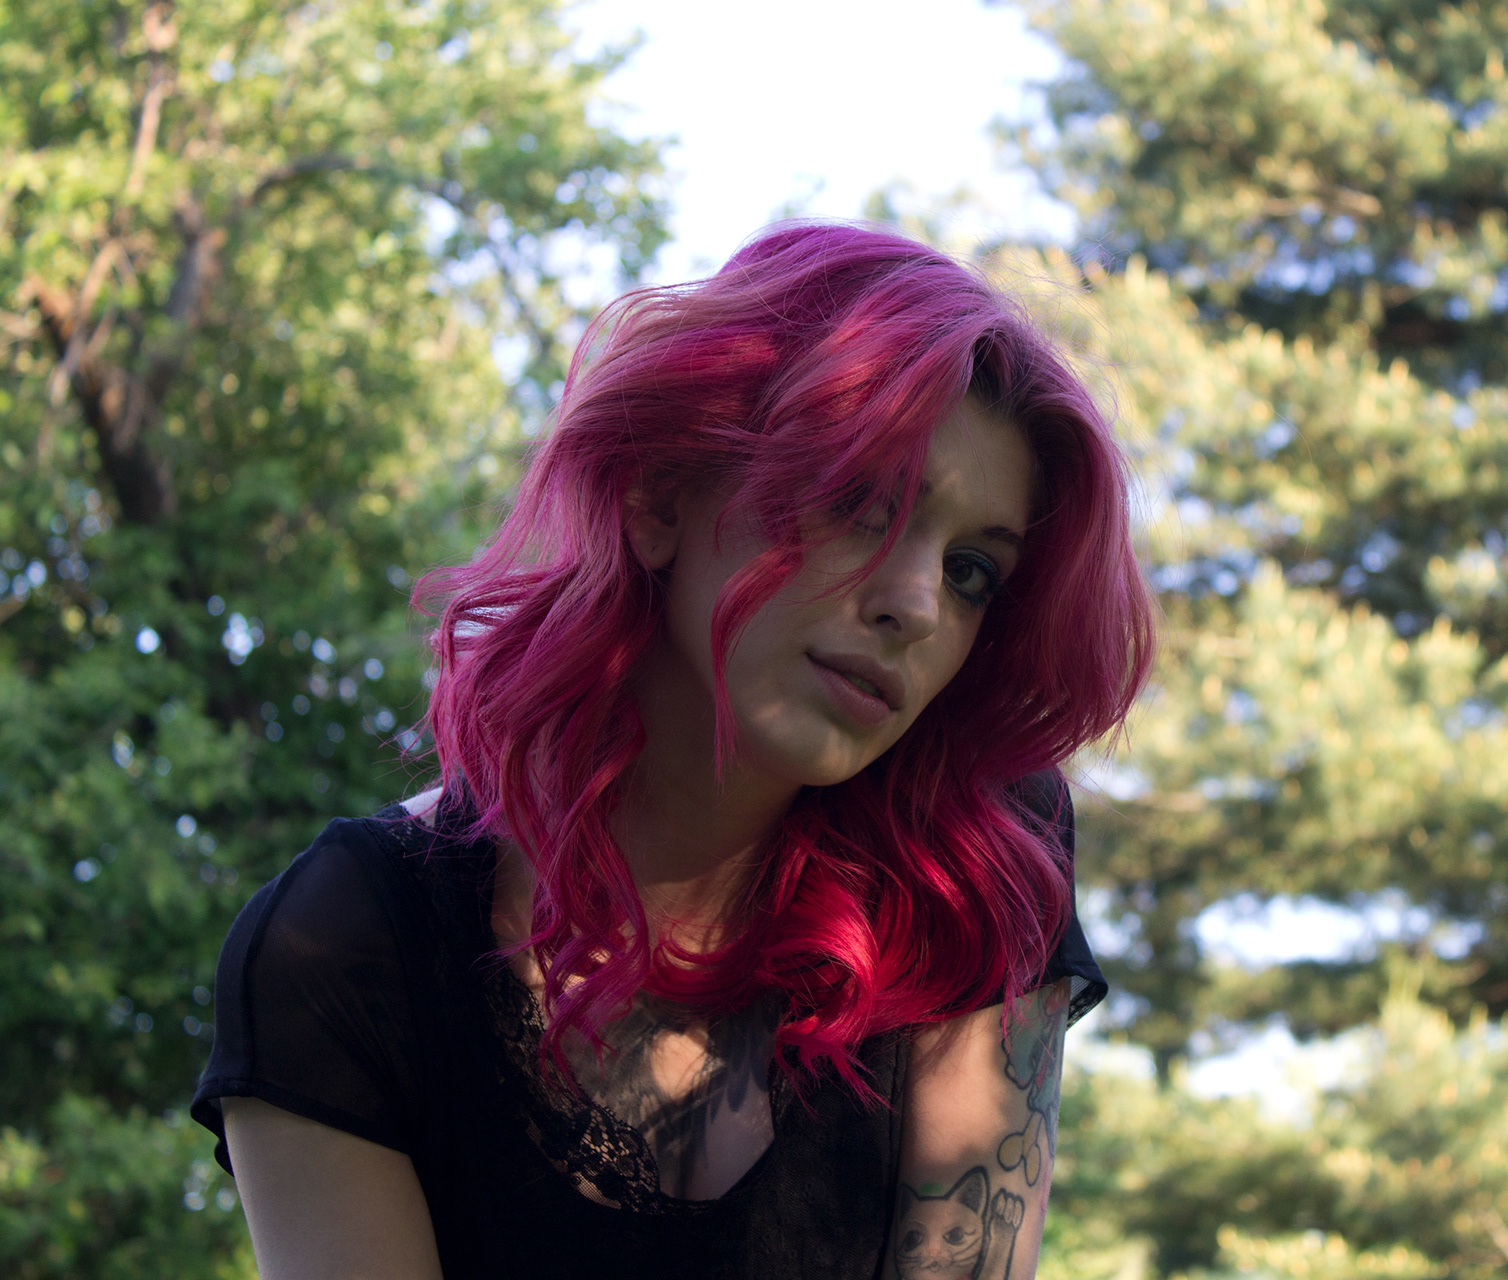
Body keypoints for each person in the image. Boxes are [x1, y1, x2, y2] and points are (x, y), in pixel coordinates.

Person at [191, 222, 1156, 1280]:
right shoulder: (339, 948)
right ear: (660, 494)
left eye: (972, 570)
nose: (918, 604)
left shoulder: (971, 863)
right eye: (860, 504)